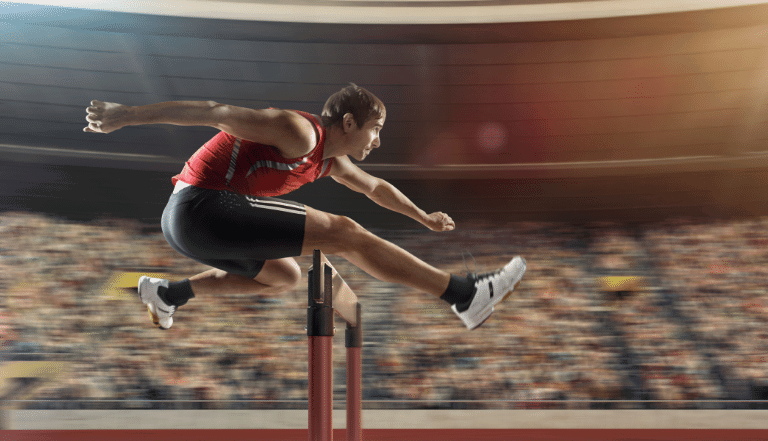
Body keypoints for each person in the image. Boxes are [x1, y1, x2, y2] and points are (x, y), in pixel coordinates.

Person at [84, 84, 526, 331]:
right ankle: (463, 294)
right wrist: (127, 115)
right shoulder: (299, 132)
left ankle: (167, 294)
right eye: (376, 130)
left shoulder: (330, 160)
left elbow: (374, 187)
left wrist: (421, 217)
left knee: (282, 276)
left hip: (195, 223)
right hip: (199, 206)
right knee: (345, 232)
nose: (377, 141)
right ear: (348, 123)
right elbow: (215, 110)